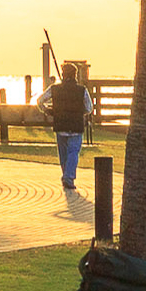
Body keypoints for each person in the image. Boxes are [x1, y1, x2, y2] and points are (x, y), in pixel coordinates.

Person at [47, 57, 96, 208]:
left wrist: (49, 110)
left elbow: (40, 101)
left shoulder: (55, 88)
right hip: (75, 125)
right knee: (73, 152)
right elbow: (89, 108)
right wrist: (81, 112)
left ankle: (67, 176)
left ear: (63, 74)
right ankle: (68, 177)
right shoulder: (82, 90)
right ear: (75, 75)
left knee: (63, 153)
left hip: (60, 124)